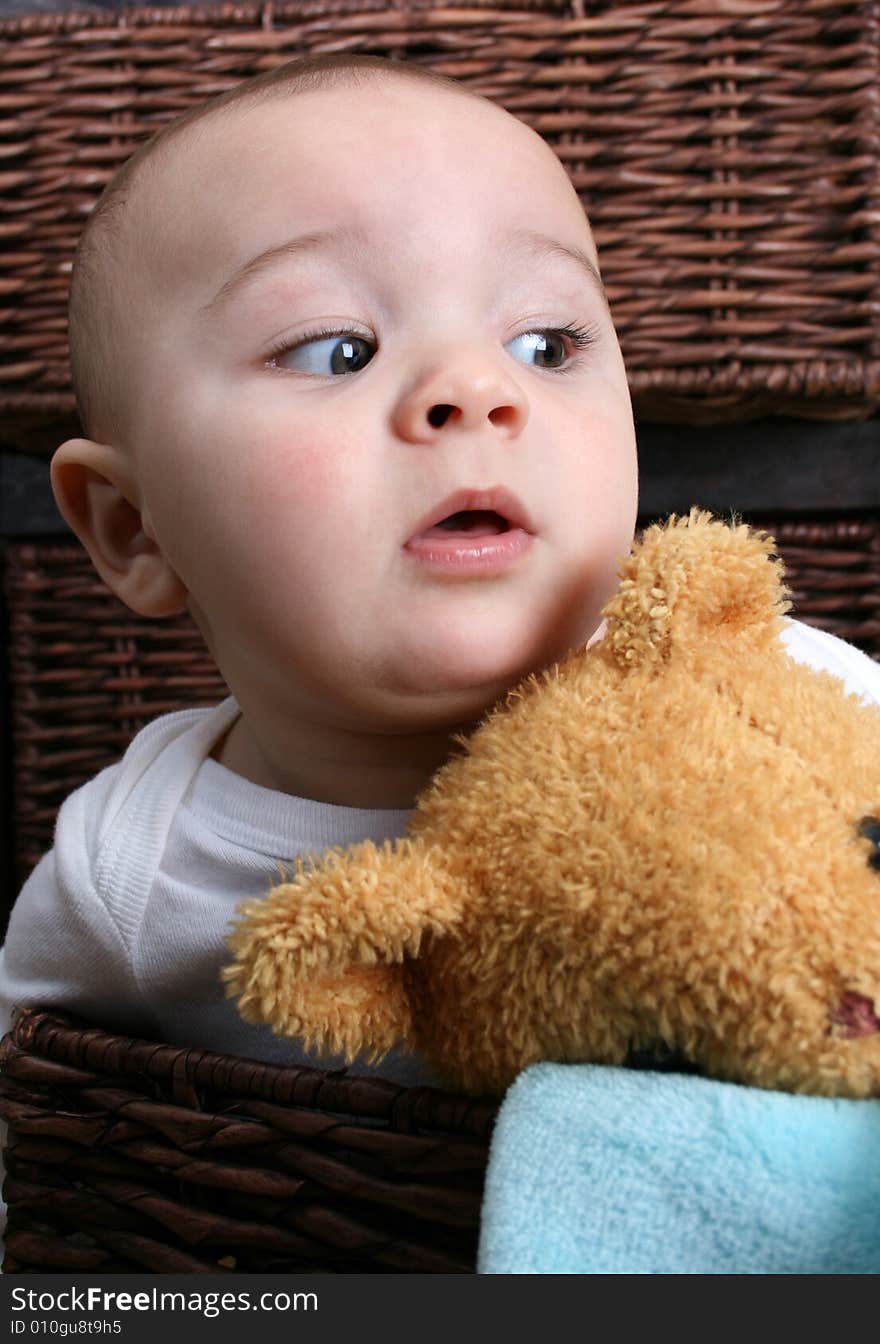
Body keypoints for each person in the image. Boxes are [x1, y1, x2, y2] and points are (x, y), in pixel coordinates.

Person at [1, 49, 879, 1117]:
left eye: (545, 342)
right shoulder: (133, 872)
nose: (477, 388)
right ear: (136, 529)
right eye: (336, 350)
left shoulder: (769, 696)